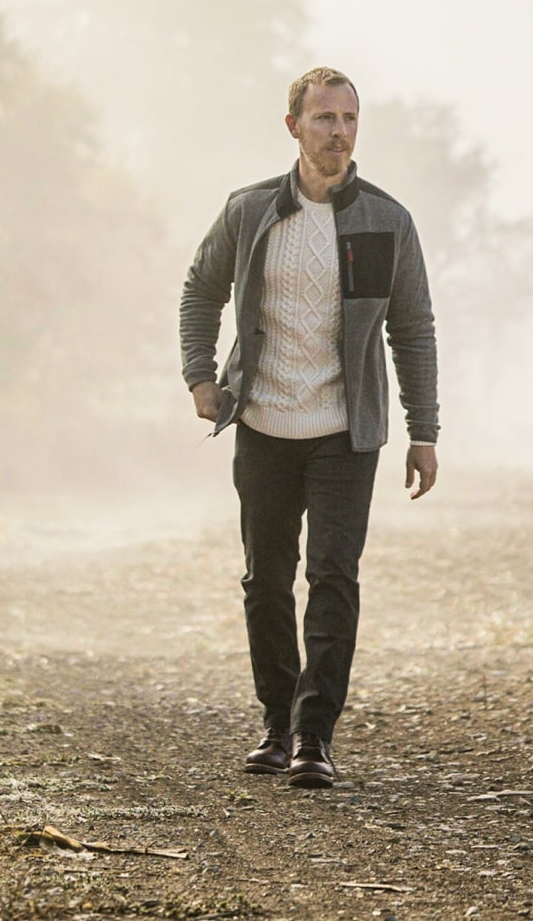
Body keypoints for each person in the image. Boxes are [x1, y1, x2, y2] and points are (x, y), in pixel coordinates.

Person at [179, 66, 439, 789]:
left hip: (344, 433)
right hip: (262, 423)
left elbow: (412, 331)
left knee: (333, 577)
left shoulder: (385, 221)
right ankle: (276, 722)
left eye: (350, 118)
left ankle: (313, 738)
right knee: (266, 579)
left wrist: (425, 430)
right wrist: (201, 376)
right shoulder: (251, 210)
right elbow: (200, 288)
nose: (340, 132)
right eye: (325, 118)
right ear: (293, 125)